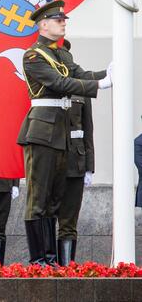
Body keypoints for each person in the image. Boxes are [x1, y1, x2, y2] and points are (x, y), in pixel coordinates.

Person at [17, 0, 111, 266]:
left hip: (60, 134)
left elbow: (81, 74)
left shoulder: (63, 55)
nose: (63, 23)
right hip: (42, 132)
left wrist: (109, 73)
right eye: (59, 20)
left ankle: (54, 262)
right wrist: (100, 84)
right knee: (39, 199)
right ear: (43, 24)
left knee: (56, 202)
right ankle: (40, 261)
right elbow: (59, 83)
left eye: (64, 20)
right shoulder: (33, 55)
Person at [55, 39, 95, 265]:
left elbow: (88, 129)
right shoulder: (45, 84)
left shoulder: (81, 88)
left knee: (69, 221)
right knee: (47, 217)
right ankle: (48, 267)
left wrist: (89, 166)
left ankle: (67, 268)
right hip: (51, 161)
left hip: (75, 163)